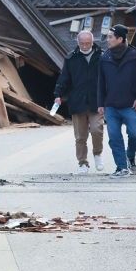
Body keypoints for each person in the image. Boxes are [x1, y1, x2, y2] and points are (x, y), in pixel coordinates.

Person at [97, 24, 136, 177]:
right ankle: (121, 167)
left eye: (110, 37)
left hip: (131, 105)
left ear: (120, 39)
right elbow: (101, 82)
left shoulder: (135, 55)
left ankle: (130, 155)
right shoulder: (104, 57)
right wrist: (100, 103)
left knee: (135, 135)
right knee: (114, 137)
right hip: (111, 106)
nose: (108, 40)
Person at [53, 31, 104, 174]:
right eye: (82, 43)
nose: (85, 46)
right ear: (78, 42)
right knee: (80, 136)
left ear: (92, 42)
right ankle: (83, 162)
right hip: (78, 101)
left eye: (88, 43)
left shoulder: (102, 56)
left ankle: (97, 153)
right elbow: (64, 78)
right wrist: (58, 94)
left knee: (96, 129)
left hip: (96, 100)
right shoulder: (71, 58)